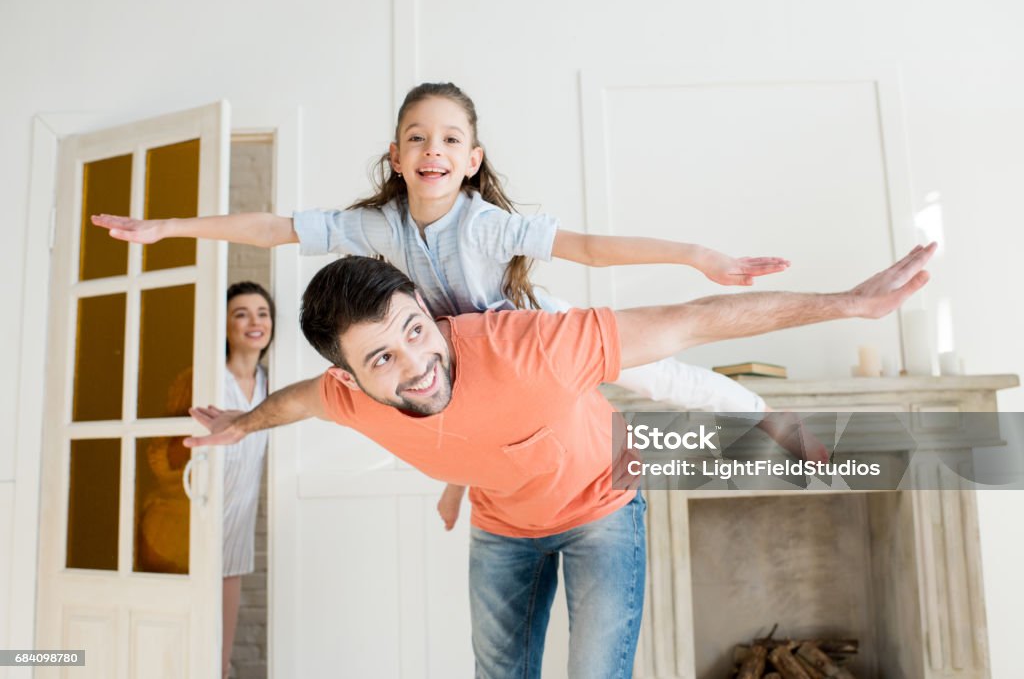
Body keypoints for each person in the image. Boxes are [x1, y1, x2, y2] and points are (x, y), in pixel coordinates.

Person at [183, 244, 934, 678]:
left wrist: (846, 303)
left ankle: (772, 415)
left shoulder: (529, 346)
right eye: (383, 356)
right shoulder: (341, 395)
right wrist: (241, 423)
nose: (417, 364)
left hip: (601, 508)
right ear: (348, 378)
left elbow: (691, 322)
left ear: (427, 305)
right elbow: (290, 402)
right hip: (506, 524)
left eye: (416, 329)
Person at [92, 81, 793, 531]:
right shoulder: (374, 226)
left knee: (656, 376)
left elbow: (588, 246)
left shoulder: (487, 223)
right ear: (396, 156)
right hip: (454, 365)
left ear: (472, 158)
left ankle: (764, 415)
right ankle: (464, 484)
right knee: (440, 413)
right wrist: (170, 228)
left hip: (529, 338)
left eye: (451, 139)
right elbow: (275, 228)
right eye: (419, 138)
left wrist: (698, 254)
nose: (434, 149)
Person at [221, 281, 275, 679]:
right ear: (224, 325)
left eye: (262, 313)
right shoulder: (207, 377)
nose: (254, 322)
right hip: (197, 518)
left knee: (220, 655)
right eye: (241, 314)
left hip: (238, 523)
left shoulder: (272, 386)